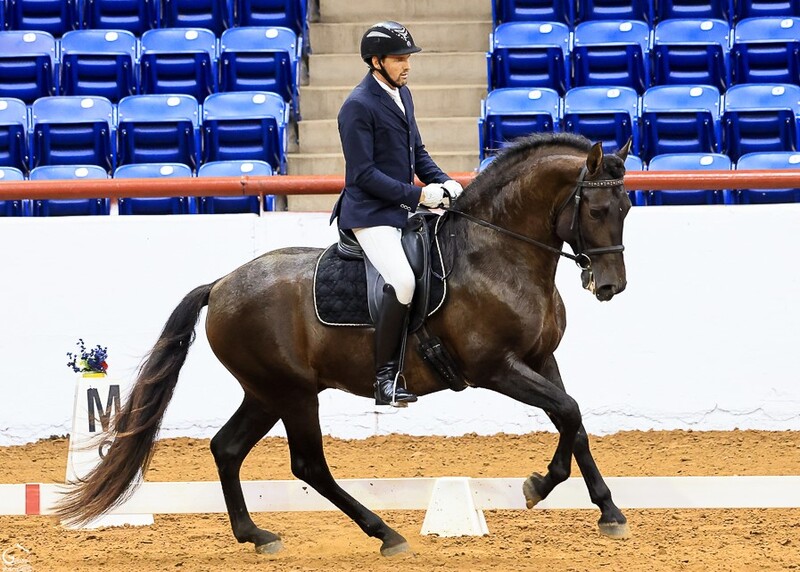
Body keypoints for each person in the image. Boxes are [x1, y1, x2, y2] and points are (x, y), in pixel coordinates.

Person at [330, 21, 464, 407]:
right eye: (399, 59)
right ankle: (385, 379)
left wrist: (445, 181)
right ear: (376, 61)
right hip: (370, 213)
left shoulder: (402, 95)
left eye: (407, 59)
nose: (407, 66)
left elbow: (417, 153)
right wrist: (420, 196)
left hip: (399, 208)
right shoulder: (357, 106)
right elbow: (363, 175)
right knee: (403, 282)